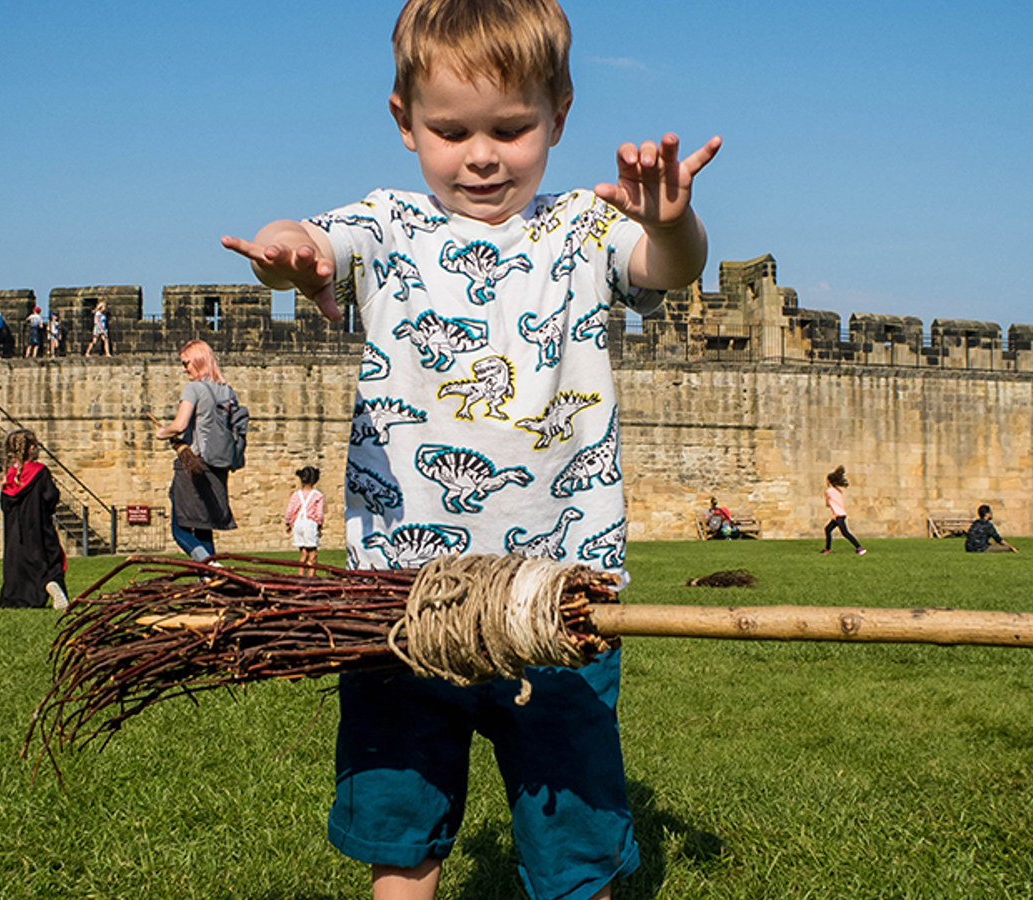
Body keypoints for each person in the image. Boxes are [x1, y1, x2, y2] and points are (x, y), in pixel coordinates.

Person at [221, 2, 720, 897]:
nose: (480, 154)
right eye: (449, 130)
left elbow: (669, 267)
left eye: (512, 127)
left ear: (560, 113)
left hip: (560, 595)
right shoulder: (388, 227)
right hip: (401, 597)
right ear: (402, 120)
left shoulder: (585, 228)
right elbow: (314, 240)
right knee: (400, 835)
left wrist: (674, 222)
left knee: (575, 843)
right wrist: (282, 253)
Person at [153, 339, 238, 562]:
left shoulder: (194, 389)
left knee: (179, 529)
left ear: (199, 361)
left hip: (194, 465)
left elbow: (180, 425)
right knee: (203, 527)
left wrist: (163, 432)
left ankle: (210, 567)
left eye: (186, 363)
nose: (184, 369)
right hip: (218, 466)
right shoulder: (228, 392)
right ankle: (209, 582)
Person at [0, 429, 69, 609]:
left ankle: (17, 599)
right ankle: (51, 583)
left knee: (18, 564)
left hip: (15, 532)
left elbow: (4, 505)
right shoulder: (40, 472)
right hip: (38, 526)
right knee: (48, 559)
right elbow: (50, 496)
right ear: (30, 449)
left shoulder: (9, 477)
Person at [284, 465, 325, 575]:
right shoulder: (318, 495)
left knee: (303, 552)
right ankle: (311, 576)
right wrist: (320, 524)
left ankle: (300, 574)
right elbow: (319, 513)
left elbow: (289, 511)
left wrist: (288, 523)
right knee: (312, 553)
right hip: (310, 524)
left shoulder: (296, 495)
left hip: (298, 523)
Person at [822, 465, 865, 555]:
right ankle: (827, 549)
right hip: (841, 514)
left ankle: (859, 547)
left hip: (838, 515)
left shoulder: (829, 491)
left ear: (829, 481)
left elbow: (828, 504)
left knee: (845, 533)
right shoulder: (838, 490)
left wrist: (835, 513)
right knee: (828, 529)